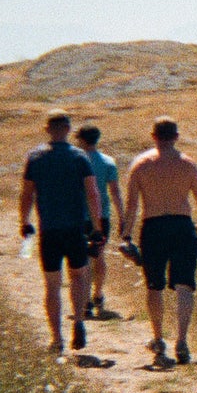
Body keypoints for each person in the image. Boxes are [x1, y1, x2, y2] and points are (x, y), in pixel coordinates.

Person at [120, 115, 197, 367]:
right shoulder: (189, 165)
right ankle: (182, 339)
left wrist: (126, 235)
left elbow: (132, 206)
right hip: (182, 225)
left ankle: (158, 338)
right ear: (176, 137)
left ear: (153, 136)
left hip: (154, 226)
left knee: (154, 285)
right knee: (184, 284)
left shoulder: (141, 166)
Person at [18, 110, 103, 356]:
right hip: (74, 228)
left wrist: (24, 221)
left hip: (49, 230)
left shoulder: (35, 157)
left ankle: (56, 338)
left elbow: (26, 194)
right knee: (79, 276)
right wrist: (97, 227)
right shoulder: (79, 157)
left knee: (52, 285)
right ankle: (78, 319)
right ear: (68, 129)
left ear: (47, 130)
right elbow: (93, 193)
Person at [74, 123, 122, 320]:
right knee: (99, 256)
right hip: (102, 217)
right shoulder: (108, 162)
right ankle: (98, 294)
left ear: (81, 140)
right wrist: (122, 216)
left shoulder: (75, 161)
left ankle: (84, 301)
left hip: (78, 216)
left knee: (80, 261)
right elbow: (115, 192)